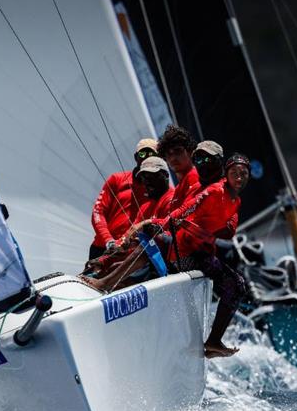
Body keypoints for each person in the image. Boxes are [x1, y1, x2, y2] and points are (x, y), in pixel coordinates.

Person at [135, 152, 251, 358]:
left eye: (244, 174)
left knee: (237, 285)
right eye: (235, 173)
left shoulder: (237, 200)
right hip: (184, 253)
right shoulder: (215, 191)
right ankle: (213, 341)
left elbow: (229, 229)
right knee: (236, 284)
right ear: (226, 173)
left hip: (200, 252)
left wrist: (220, 230)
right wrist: (168, 223)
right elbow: (186, 209)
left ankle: (213, 340)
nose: (239, 178)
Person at [82, 157, 172, 290]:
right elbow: (126, 240)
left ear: (165, 175)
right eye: (144, 178)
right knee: (108, 266)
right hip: (144, 260)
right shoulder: (145, 207)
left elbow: (170, 229)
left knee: (147, 244)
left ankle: (105, 283)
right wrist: (103, 260)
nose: (147, 182)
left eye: (152, 176)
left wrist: (147, 224)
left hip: (167, 263)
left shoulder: (171, 199)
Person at [88, 138, 157, 260]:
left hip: (131, 253)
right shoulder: (117, 180)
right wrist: (108, 240)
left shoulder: (160, 189)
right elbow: (98, 212)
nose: (146, 157)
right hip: (102, 248)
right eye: (142, 154)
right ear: (136, 157)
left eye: (151, 154)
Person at [157, 125, 199, 210]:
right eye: (168, 154)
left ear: (190, 151)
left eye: (178, 151)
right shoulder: (178, 189)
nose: (173, 158)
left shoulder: (194, 176)